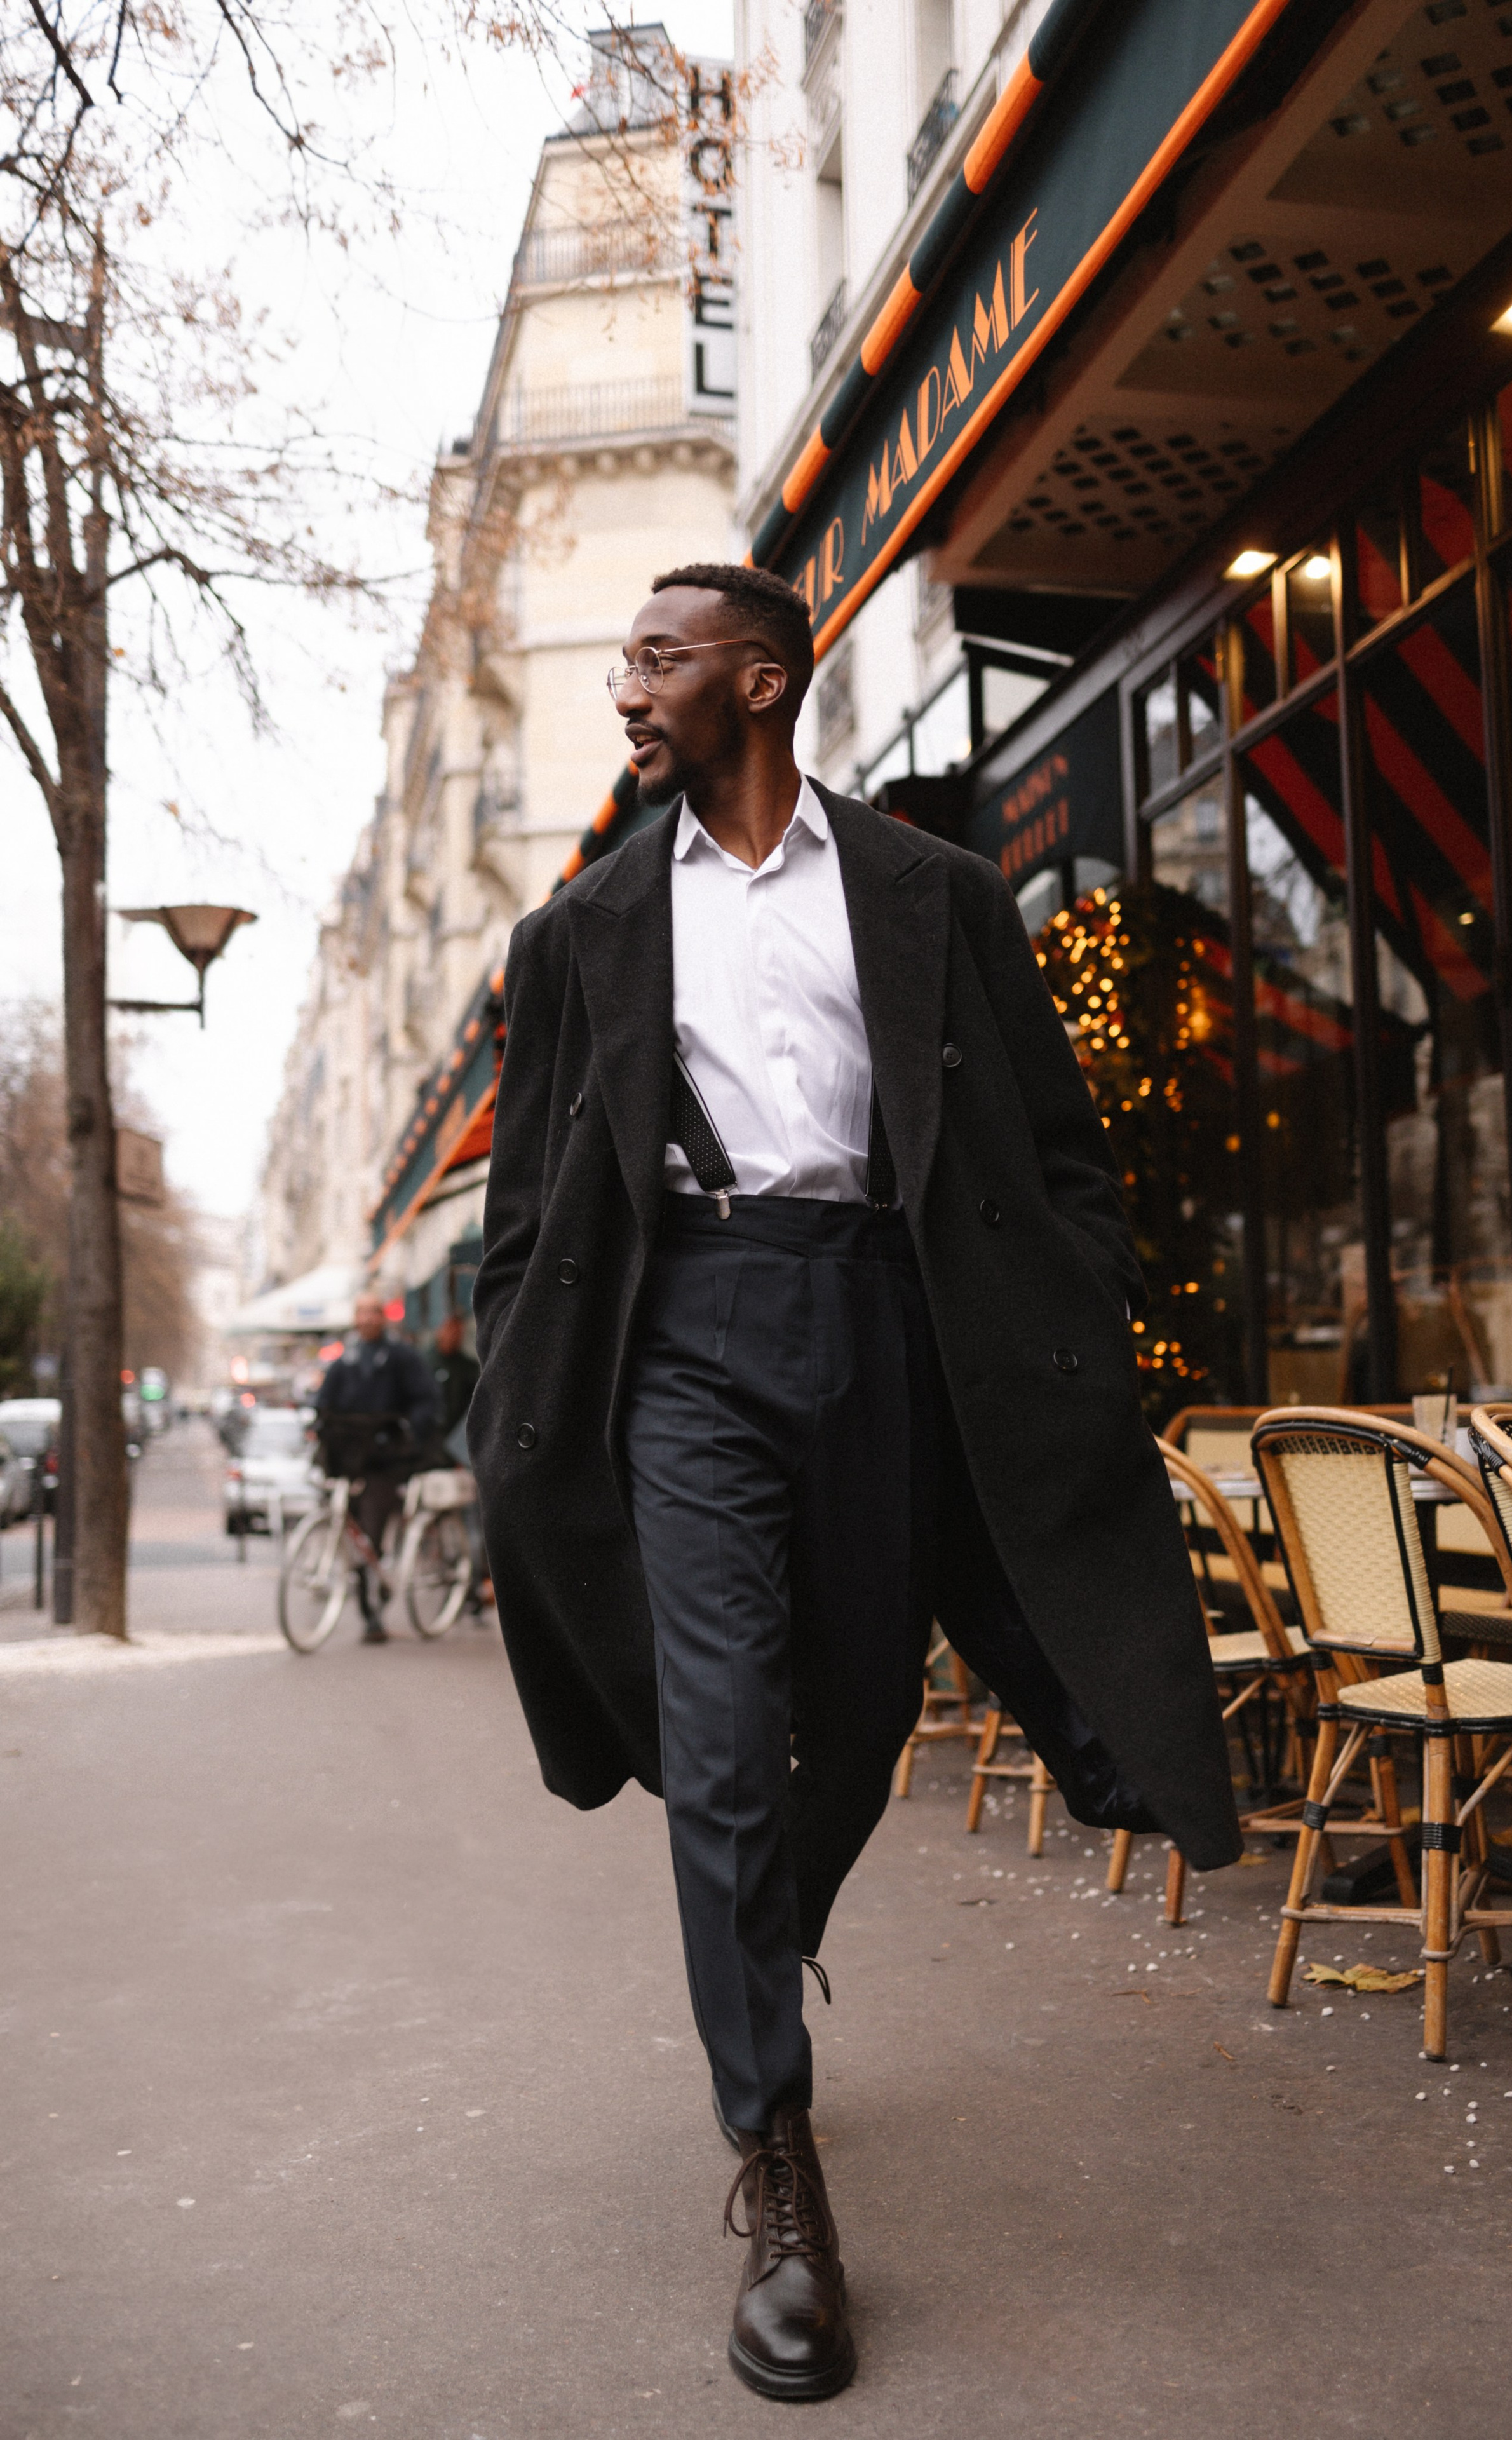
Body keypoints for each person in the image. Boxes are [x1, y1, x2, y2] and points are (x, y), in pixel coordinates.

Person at [469, 562, 1239, 2400]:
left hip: (889, 1315)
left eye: (658, 661)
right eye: (624, 663)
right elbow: (524, 1218)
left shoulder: (933, 891)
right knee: (727, 1730)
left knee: (874, 1703)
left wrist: (1071, 1308)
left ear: (759, 679)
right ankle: (780, 2167)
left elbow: (1055, 1147)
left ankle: (760, 1927)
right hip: (682, 1331)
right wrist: (512, 1382)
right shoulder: (578, 933)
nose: (626, 692)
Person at [315, 1292, 440, 1642]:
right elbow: (323, 1402)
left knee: (371, 1530)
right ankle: (368, 1593)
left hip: (385, 1460)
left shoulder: (402, 1357)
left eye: (373, 1312)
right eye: (361, 1313)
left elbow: (426, 1400)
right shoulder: (345, 1360)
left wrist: (406, 1432)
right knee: (350, 1526)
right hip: (348, 1457)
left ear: (383, 1317)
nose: (367, 1319)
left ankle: (372, 1611)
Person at [429, 1310, 481, 1441]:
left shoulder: (469, 1366)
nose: (454, 1335)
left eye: (458, 1331)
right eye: (450, 1329)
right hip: (431, 1436)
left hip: (459, 1437)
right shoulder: (425, 1362)